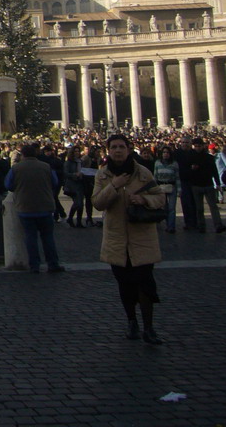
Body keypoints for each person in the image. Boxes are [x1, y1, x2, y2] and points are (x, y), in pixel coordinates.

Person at [93, 134, 166, 344]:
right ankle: (131, 321)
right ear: (108, 150)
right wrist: (114, 186)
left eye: (121, 147)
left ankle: (149, 327)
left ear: (128, 149)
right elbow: (97, 202)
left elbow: (160, 197)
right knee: (125, 285)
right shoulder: (103, 175)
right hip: (117, 238)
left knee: (145, 283)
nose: (117, 150)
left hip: (141, 237)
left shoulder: (143, 172)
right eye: (113, 147)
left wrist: (143, 199)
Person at [5, 143, 65, 274]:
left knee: (30, 237)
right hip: (45, 206)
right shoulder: (46, 167)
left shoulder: (16, 169)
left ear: (23, 155)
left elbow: (8, 185)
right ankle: (52, 263)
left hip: (25, 207)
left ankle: (34, 265)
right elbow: (55, 183)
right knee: (48, 237)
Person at [187, 137, 226, 233]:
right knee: (199, 208)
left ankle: (218, 225)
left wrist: (217, 183)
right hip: (196, 185)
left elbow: (214, 171)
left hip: (208, 184)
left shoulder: (209, 157)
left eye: (199, 146)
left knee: (213, 206)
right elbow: (186, 172)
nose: (197, 148)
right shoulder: (190, 158)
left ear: (203, 146)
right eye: (195, 146)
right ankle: (201, 225)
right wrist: (191, 169)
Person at [153, 147, 180, 234]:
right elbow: (155, 176)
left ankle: (171, 226)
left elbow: (177, 177)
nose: (166, 154)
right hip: (161, 187)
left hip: (172, 186)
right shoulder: (157, 163)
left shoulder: (174, 164)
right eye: (164, 152)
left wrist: (179, 189)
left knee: (172, 208)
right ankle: (167, 224)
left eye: (167, 152)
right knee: (165, 207)